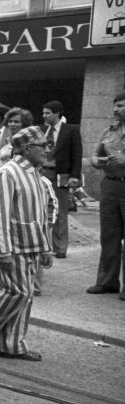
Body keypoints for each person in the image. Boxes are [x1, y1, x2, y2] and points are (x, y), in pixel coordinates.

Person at [0, 127, 54, 362]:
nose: (47, 150)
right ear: (26, 148)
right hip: (11, 247)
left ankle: (12, 344)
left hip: (30, 245)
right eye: (42, 146)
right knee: (18, 292)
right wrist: (3, 250)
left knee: (26, 296)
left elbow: (41, 215)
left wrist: (45, 248)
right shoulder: (8, 173)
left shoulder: (35, 175)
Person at [87, 92, 125, 299]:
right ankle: (107, 282)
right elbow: (95, 154)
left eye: (120, 106)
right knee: (109, 237)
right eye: (115, 106)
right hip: (110, 187)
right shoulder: (108, 131)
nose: (115, 109)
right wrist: (96, 161)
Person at [40, 100, 81, 259]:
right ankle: (41, 245)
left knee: (60, 211)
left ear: (57, 113)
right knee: (41, 210)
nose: (44, 116)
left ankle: (60, 248)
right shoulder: (42, 130)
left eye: (48, 113)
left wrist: (74, 176)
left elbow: (77, 155)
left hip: (60, 175)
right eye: (43, 113)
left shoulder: (70, 130)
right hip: (42, 173)